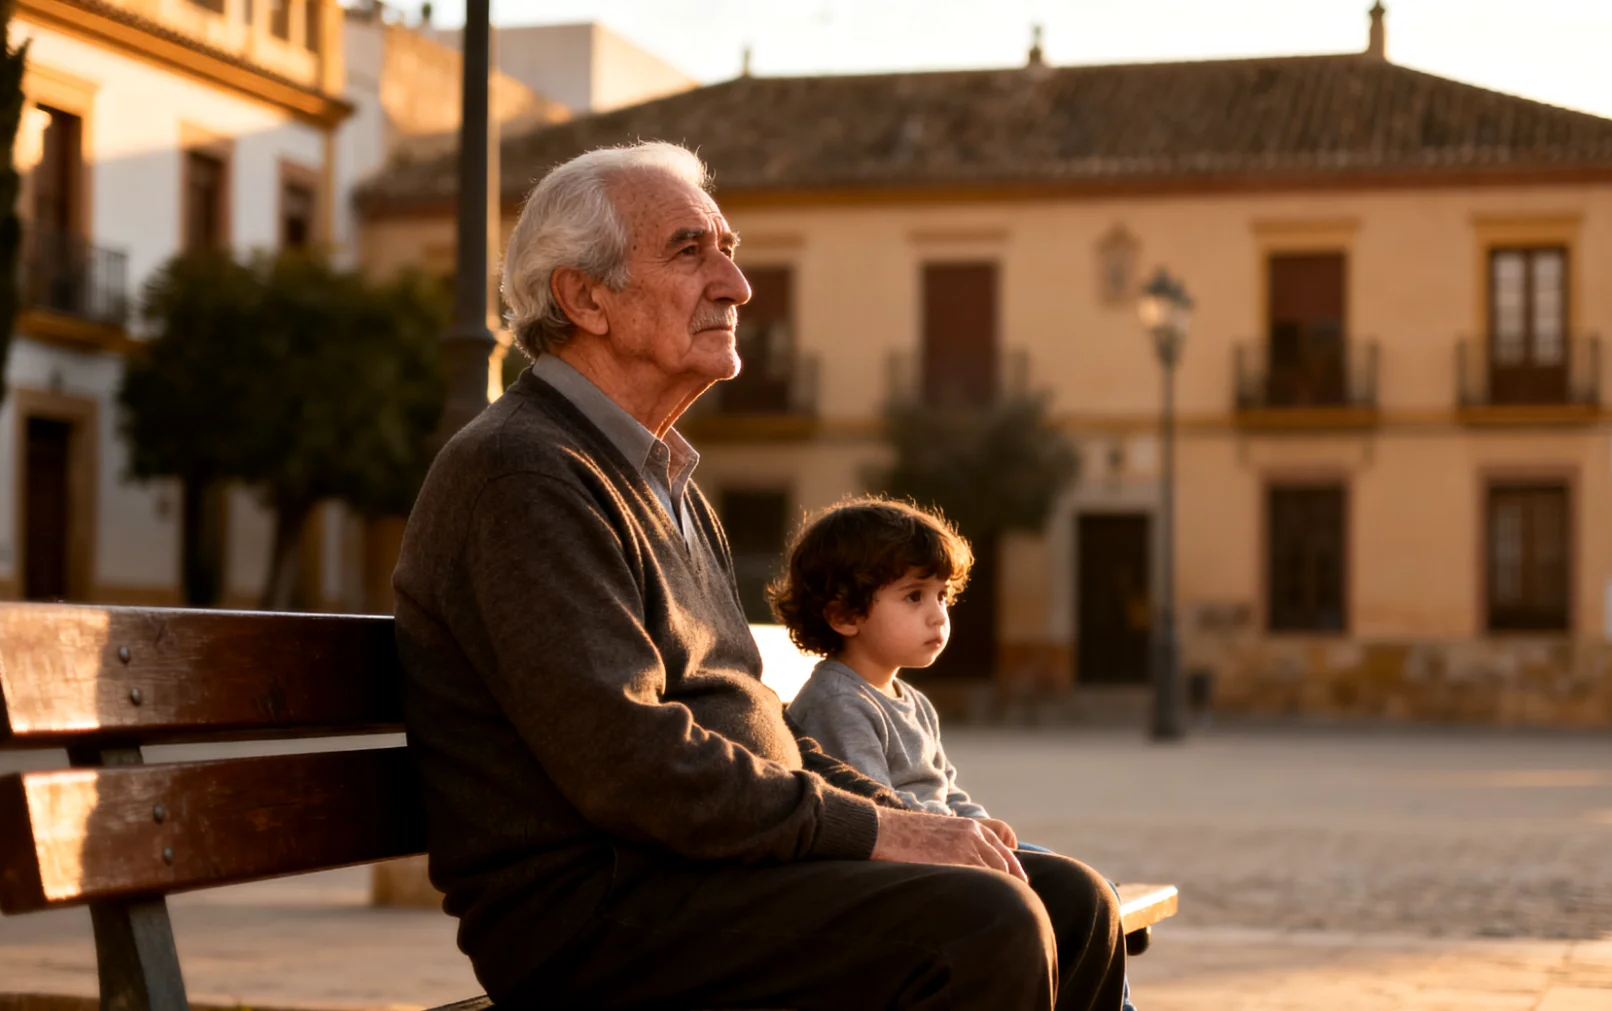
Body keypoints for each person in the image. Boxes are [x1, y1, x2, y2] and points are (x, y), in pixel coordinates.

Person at [393, 140, 1125, 1010]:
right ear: (585, 297)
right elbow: (629, 763)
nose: (737, 287)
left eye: (729, 252)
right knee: (983, 924)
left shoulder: (658, 477)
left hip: (704, 870)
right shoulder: (523, 474)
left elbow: (758, 725)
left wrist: (912, 819)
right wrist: (878, 830)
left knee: (1072, 900)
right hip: (602, 912)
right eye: (689, 251)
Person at [773, 495, 1137, 1011]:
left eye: (943, 596)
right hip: (905, 872)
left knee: (1089, 888)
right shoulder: (837, 701)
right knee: (1064, 895)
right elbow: (875, 808)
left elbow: (948, 788)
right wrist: (957, 840)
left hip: (947, 851)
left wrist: (981, 826)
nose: (938, 616)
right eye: (914, 597)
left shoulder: (913, 700)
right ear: (844, 614)